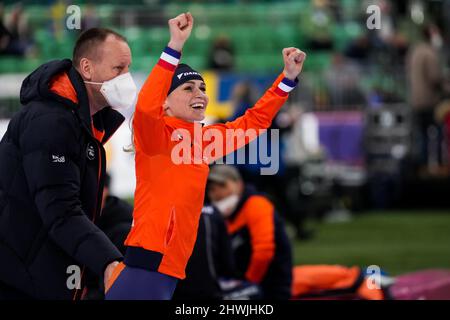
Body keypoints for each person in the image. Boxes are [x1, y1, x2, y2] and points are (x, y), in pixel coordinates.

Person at [105, 12, 306, 300]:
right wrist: (174, 46)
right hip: (150, 256)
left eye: (202, 87)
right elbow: (147, 107)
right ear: (167, 103)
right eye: (188, 88)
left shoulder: (205, 141)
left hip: (172, 264)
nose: (199, 92)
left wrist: (286, 79)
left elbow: (253, 122)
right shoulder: (153, 135)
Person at [0, 28, 136, 299]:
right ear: (87, 68)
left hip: (38, 275)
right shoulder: (51, 122)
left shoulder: (84, 124)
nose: (127, 79)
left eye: (128, 69)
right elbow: (61, 210)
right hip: (17, 280)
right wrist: (108, 263)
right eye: (118, 68)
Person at [207, 165, 293, 300]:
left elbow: (264, 252)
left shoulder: (256, 205)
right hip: (238, 283)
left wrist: (247, 284)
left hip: (269, 287)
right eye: (212, 189)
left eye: (222, 186)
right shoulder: (216, 215)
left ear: (239, 184)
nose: (217, 193)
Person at [172, 203, 236, 300]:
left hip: (175, 286)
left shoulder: (172, 209)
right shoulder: (214, 213)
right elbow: (227, 259)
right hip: (209, 288)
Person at [407, 23, 445, 172]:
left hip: (416, 100)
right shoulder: (429, 53)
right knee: (438, 134)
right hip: (429, 101)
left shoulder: (414, 51)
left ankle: (421, 168)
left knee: (421, 136)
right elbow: (434, 78)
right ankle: (440, 166)